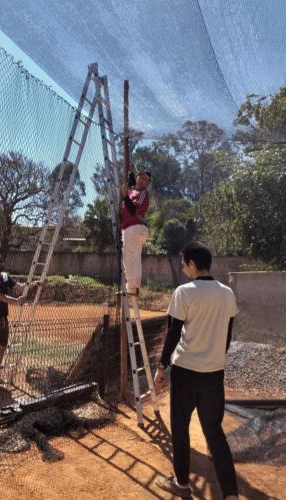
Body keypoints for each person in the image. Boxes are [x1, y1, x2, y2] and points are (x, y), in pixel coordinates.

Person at [153, 241, 239, 500]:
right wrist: (215, 359)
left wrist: (161, 367)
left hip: (186, 371)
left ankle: (181, 483)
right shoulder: (227, 293)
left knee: (180, 428)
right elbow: (227, 334)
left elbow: (173, 332)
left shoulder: (184, 292)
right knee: (214, 433)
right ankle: (231, 494)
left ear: (192, 263)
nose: (183, 268)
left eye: (184, 263)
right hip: (214, 374)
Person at [0, 253, 38, 388]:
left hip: (2, 317)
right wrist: (15, 301)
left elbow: (19, 286)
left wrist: (35, 283)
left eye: (1, 261)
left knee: (1, 346)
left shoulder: (5, 276)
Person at [121, 163, 151, 294]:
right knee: (131, 256)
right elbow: (132, 182)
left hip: (136, 226)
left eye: (146, 179)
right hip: (129, 228)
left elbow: (133, 210)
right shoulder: (133, 188)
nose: (142, 179)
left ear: (147, 183)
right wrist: (131, 172)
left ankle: (132, 286)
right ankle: (132, 285)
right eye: (141, 176)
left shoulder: (143, 193)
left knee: (130, 257)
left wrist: (124, 196)